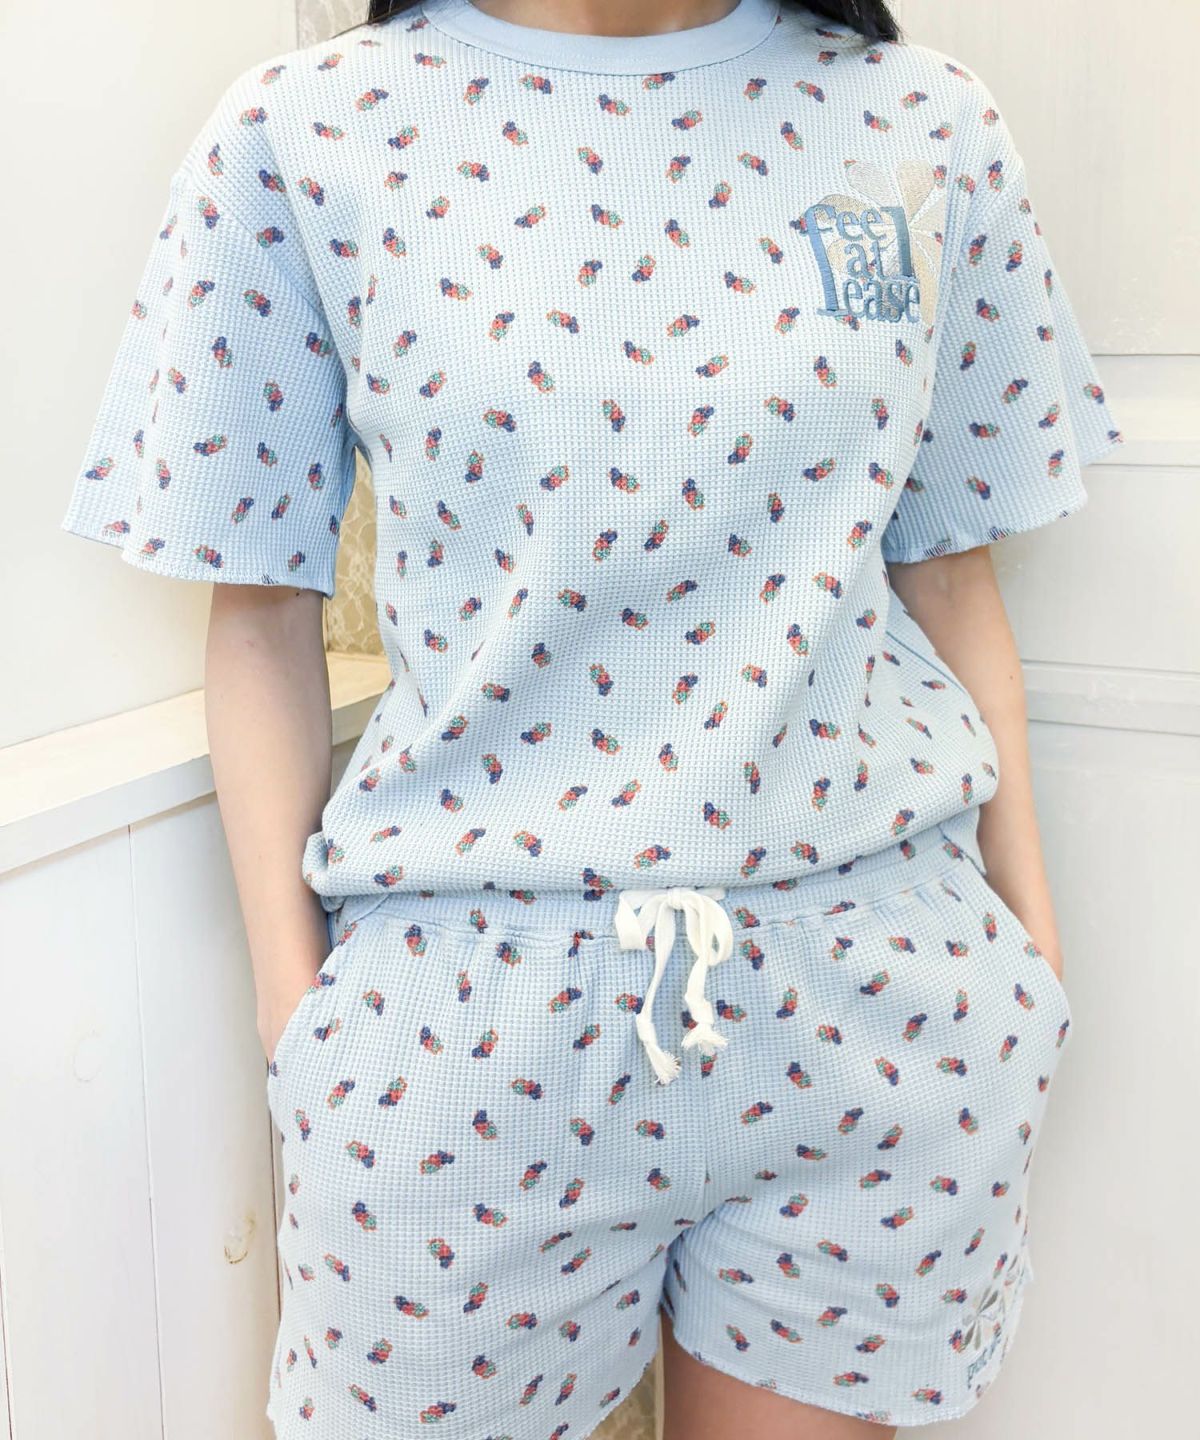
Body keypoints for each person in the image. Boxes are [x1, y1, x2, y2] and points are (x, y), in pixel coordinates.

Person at [59, 0, 1123, 1434]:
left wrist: (1032, 950)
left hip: (872, 1012)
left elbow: (951, 566)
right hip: (465, 1035)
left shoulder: (920, 123)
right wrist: (298, 1024)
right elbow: (257, 612)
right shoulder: (303, 134)